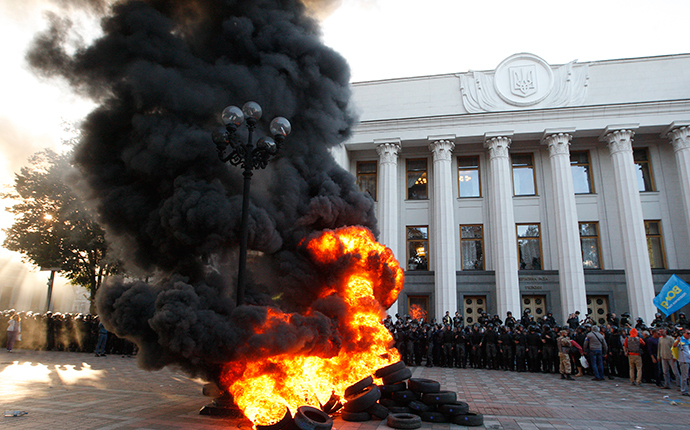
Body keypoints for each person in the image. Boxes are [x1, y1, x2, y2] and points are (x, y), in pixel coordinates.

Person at [672, 328, 690, 396]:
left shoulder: (689, 340)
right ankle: (684, 390)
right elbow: (674, 346)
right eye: (688, 333)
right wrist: (678, 341)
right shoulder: (680, 340)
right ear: (684, 333)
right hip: (684, 360)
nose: (689, 335)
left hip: (688, 359)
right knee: (684, 376)